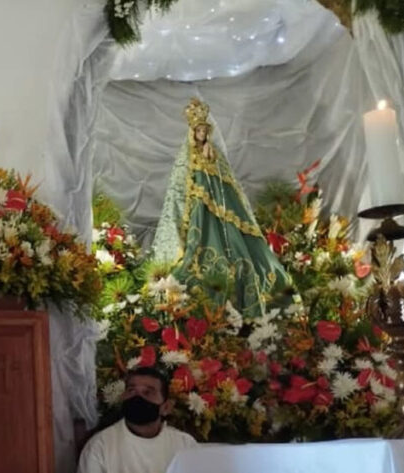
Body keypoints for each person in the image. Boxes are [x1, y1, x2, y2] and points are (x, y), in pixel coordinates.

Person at [150, 98, 290, 318]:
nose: (202, 134)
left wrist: (210, 160)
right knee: (198, 236)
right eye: (199, 131)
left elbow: (223, 173)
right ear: (193, 132)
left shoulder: (212, 150)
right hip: (197, 204)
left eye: (205, 131)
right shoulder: (186, 155)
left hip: (218, 200)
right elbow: (180, 182)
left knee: (231, 238)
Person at [78, 367, 197, 473]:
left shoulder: (184, 445)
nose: (137, 397)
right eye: (131, 390)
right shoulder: (100, 446)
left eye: (148, 392)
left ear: (166, 407)